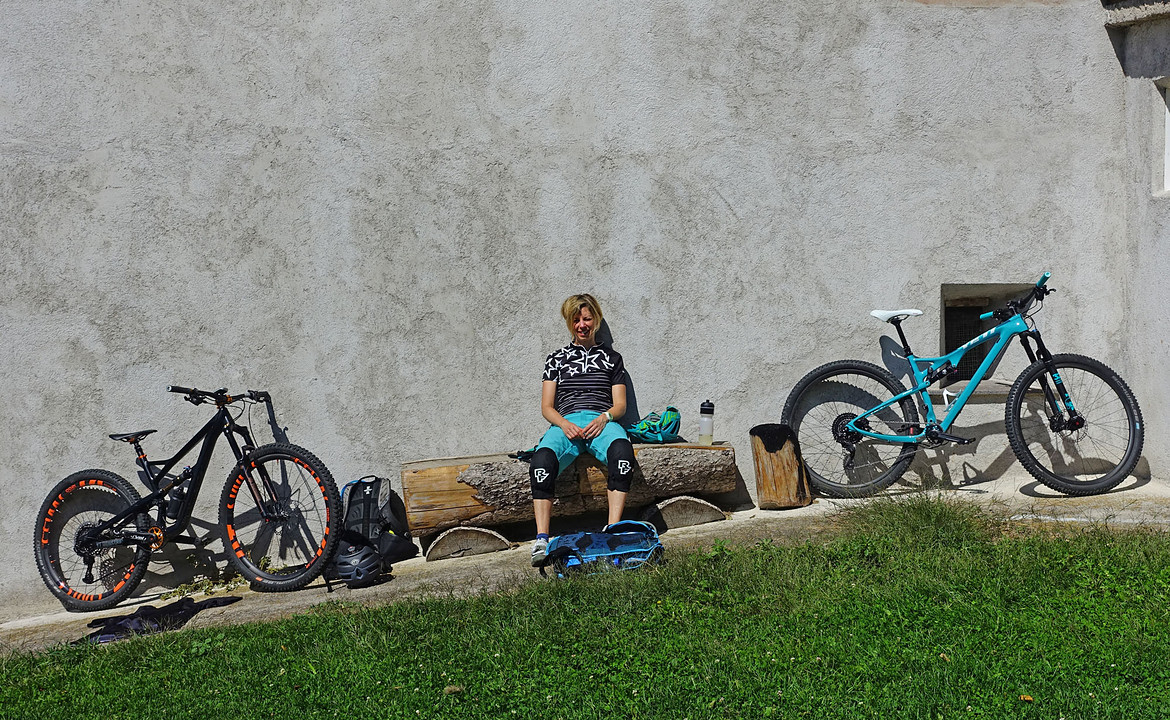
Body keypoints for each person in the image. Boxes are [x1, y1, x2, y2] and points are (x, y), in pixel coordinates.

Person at [529, 293, 638, 566]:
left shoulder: (612, 359)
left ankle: (613, 532)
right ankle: (542, 538)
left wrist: (604, 418)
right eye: (576, 320)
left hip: (602, 422)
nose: (582, 325)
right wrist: (564, 424)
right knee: (541, 461)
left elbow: (620, 405)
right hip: (565, 422)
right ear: (569, 322)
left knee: (623, 453)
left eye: (587, 319)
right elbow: (546, 407)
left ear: (596, 319)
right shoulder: (556, 359)